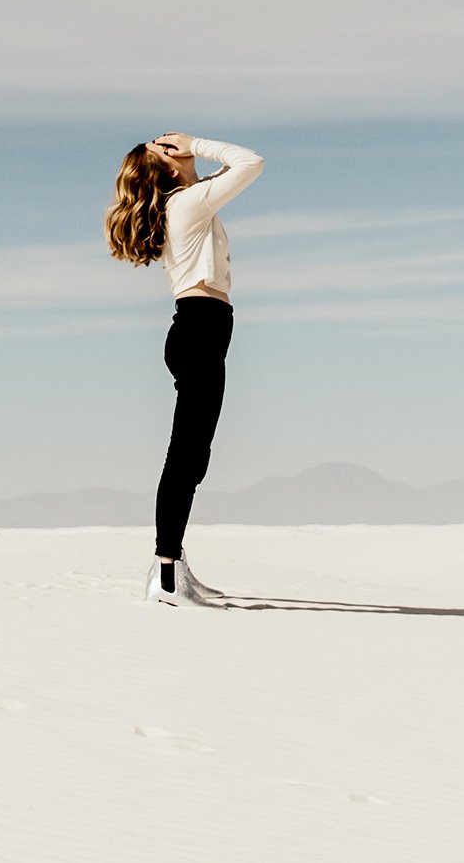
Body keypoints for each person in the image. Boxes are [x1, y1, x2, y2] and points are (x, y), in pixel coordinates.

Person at [102, 131, 266, 606]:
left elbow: (229, 173)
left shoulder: (189, 201)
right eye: (168, 148)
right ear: (171, 167)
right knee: (185, 458)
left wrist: (191, 155)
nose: (177, 145)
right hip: (200, 330)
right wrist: (198, 141)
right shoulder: (188, 203)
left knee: (192, 458)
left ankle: (174, 566)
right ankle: (166, 575)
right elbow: (249, 161)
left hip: (200, 331)